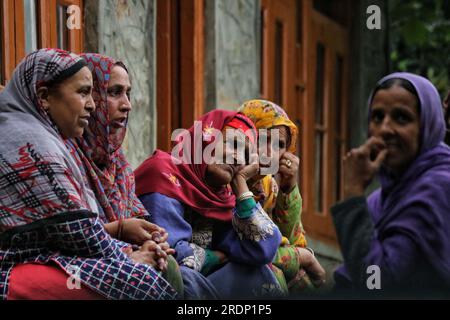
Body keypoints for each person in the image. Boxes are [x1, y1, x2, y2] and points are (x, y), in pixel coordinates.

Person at [0, 48, 176, 300]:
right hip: (13, 268)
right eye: (84, 93)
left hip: (46, 259)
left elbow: (82, 233)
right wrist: (128, 256)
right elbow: (79, 233)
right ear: (44, 96)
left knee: (161, 271)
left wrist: (139, 247)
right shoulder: (31, 143)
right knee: (141, 282)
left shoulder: (110, 161)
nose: (93, 105)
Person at [135, 110, 286, 298]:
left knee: (257, 273)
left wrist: (240, 183)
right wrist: (218, 256)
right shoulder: (163, 173)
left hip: (199, 286)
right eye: (233, 144)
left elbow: (264, 250)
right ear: (205, 140)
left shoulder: (222, 197)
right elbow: (169, 252)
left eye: (245, 156)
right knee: (185, 277)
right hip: (159, 283)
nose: (237, 158)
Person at [332, 72, 450, 297]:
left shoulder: (439, 187)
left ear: (428, 126)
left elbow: (377, 282)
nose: (385, 129)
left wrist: (352, 193)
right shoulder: (382, 198)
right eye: (377, 117)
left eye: (402, 118)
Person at [238, 100, 326, 294]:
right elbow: (247, 250)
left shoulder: (268, 185)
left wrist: (288, 186)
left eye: (279, 145)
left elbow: (293, 240)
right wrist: (304, 257)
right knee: (274, 274)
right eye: (262, 139)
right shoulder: (226, 179)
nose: (269, 152)